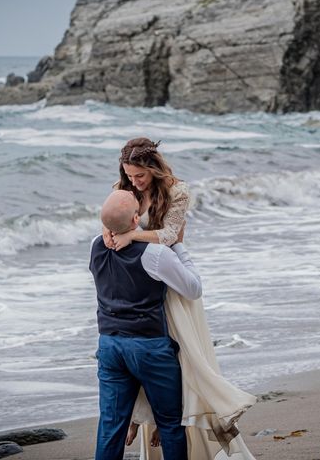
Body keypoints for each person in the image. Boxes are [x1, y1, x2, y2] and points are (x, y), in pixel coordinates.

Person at [106, 138, 257, 460]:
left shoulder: (177, 191)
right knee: (144, 353)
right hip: (138, 282)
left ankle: (178, 422)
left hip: (170, 281)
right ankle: (142, 417)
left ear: (154, 168)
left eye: (140, 176)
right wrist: (109, 233)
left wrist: (131, 235)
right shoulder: (122, 189)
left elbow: (171, 235)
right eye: (130, 176)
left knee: (180, 356)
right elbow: (111, 222)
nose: (134, 182)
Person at [90, 189, 203, 460]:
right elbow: (193, 288)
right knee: (169, 424)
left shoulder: (95, 244)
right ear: (134, 220)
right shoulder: (154, 254)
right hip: (149, 347)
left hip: (109, 345)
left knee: (110, 426)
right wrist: (177, 244)